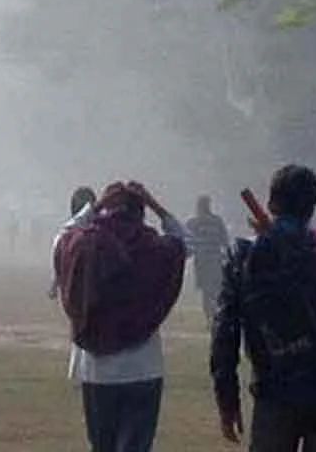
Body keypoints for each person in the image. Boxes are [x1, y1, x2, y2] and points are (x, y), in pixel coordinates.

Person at [210, 165, 316, 452]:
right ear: (312, 207)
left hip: (273, 389)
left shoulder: (244, 255)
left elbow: (225, 332)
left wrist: (227, 400)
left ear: (271, 203)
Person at [53, 181, 188, 452]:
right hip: (143, 368)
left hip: (97, 372)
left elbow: (63, 237)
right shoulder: (153, 248)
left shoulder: (87, 246)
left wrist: (97, 205)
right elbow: (183, 242)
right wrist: (157, 207)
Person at [185, 195, 230, 324]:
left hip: (208, 260)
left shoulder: (197, 222)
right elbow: (225, 240)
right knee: (211, 289)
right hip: (209, 260)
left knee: (211, 290)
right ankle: (212, 316)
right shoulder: (213, 221)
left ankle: (212, 316)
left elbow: (224, 240)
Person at [49, 186, 97, 300]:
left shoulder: (68, 230)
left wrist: (55, 284)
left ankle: (54, 284)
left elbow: (57, 253)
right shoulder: (100, 220)